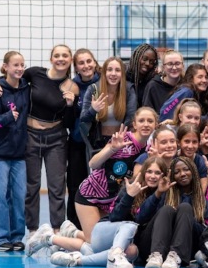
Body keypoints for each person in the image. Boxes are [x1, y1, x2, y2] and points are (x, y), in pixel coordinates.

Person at [0, 44, 79, 233]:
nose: (61, 59)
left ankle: (57, 230)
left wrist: (71, 105)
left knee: (57, 187)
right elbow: (12, 79)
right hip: (30, 135)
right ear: (51, 58)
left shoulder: (72, 87)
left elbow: (69, 122)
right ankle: (32, 231)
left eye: (65, 55)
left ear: (70, 60)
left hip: (56, 138)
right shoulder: (35, 73)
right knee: (31, 187)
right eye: (57, 55)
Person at [45, 158, 169, 268]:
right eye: (149, 172)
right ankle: (114, 253)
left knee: (131, 251)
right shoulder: (131, 187)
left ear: (164, 175)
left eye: (157, 173)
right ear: (143, 173)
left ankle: (76, 260)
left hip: (126, 241)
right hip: (107, 230)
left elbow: (144, 220)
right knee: (130, 226)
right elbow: (114, 217)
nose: (153, 176)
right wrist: (129, 196)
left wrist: (158, 194)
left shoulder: (164, 193)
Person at [75, 107, 157, 242]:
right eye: (141, 120)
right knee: (94, 242)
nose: (146, 124)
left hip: (112, 201)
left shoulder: (151, 149)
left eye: (150, 121)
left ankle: (71, 232)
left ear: (156, 125)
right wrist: (112, 149)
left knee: (106, 241)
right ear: (135, 124)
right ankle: (57, 236)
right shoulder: (122, 139)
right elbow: (93, 164)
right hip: (91, 195)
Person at [0, 51, 30, 252]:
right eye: (15, 65)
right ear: (5, 67)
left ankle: (16, 236)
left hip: (19, 154)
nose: (19, 68)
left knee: (19, 196)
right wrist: (7, 118)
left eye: (22, 65)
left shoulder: (26, 88)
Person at [140, 156, 207, 268]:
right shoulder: (164, 193)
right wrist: (158, 193)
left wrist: (185, 220)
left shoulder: (202, 200)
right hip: (153, 247)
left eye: (186, 169)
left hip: (186, 249)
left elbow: (206, 232)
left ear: (193, 171)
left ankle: (175, 256)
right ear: (172, 176)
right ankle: (156, 256)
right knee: (167, 209)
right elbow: (140, 218)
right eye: (177, 172)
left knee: (185, 208)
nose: (182, 174)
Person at [67, 49, 101, 229]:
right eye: (81, 63)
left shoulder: (105, 82)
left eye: (89, 61)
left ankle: (98, 225)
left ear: (94, 62)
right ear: (76, 67)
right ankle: (73, 226)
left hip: (99, 144)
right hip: (77, 143)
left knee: (100, 185)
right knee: (75, 186)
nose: (86, 65)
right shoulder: (71, 86)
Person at [80, 56, 137, 154]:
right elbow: (83, 119)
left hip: (121, 141)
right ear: (104, 73)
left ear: (122, 74)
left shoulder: (128, 89)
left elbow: (131, 117)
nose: (113, 74)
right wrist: (93, 110)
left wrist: (120, 137)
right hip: (98, 142)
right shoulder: (93, 89)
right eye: (109, 70)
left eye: (117, 70)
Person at [126, 43, 159, 107]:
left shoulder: (153, 81)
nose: (147, 63)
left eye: (151, 62)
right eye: (144, 59)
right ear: (136, 56)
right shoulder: (124, 76)